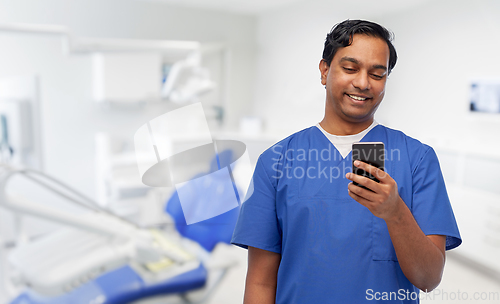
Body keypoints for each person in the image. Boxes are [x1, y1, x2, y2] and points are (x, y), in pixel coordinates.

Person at [231, 19, 461, 303]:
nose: (363, 83)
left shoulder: (417, 159)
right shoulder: (276, 162)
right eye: (350, 68)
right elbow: (260, 283)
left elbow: (428, 279)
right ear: (324, 71)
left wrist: (395, 212)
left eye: (377, 74)